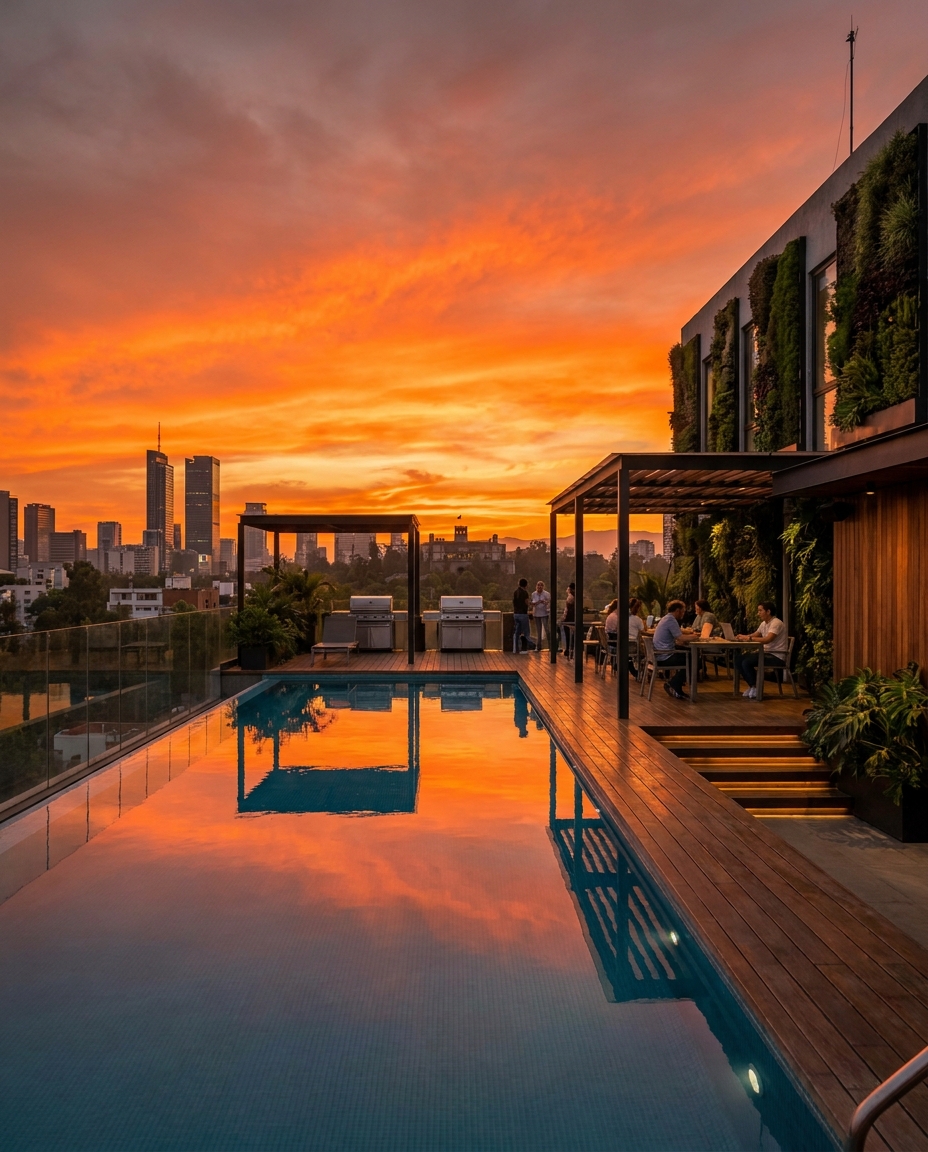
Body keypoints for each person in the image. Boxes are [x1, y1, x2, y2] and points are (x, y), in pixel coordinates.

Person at [736, 602, 789, 699]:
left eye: (760, 610)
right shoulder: (764, 623)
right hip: (766, 654)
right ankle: (753, 685)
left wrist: (749, 639)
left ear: (768, 611)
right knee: (739, 659)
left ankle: (756, 687)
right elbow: (756, 634)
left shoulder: (776, 623)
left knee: (747, 662)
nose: (758, 613)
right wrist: (744, 637)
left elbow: (767, 639)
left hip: (776, 656)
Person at [652, 599, 693, 700]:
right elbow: (680, 637)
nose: (683, 614)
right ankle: (674, 684)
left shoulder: (665, 618)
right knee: (695, 661)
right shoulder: (671, 620)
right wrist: (696, 637)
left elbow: (676, 638)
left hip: (659, 654)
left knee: (690, 657)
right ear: (678, 610)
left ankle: (676, 684)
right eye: (683, 611)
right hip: (665, 656)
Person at [531, 580, 552, 653]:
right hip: (536, 613)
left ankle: (551, 645)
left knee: (547, 629)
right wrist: (535, 603)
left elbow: (549, 603)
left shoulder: (546, 594)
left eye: (541, 585)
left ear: (543, 586)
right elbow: (532, 603)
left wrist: (545, 602)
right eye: (538, 585)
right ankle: (538, 646)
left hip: (544, 613)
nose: (539, 587)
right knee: (538, 630)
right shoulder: (533, 594)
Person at [512, 578, 532, 654]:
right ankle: (528, 647)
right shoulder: (525, 593)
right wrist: (532, 604)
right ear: (526, 585)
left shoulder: (515, 592)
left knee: (517, 632)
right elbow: (527, 602)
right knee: (526, 632)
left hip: (516, 614)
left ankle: (515, 649)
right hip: (523, 614)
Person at [627, 597, 645, 676]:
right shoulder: (638, 620)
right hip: (634, 646)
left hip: (624, 645)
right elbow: (643, 631)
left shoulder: (623, 617)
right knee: (646, 651)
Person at [560, 582, 576, 657]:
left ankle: (568, 649)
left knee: (567, 633)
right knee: (572, 634)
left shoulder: (570, 597)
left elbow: (567, 610)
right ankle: (571, 648)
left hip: (569, 618)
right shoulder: (576, 596)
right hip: (573, 618)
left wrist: (563, 618)